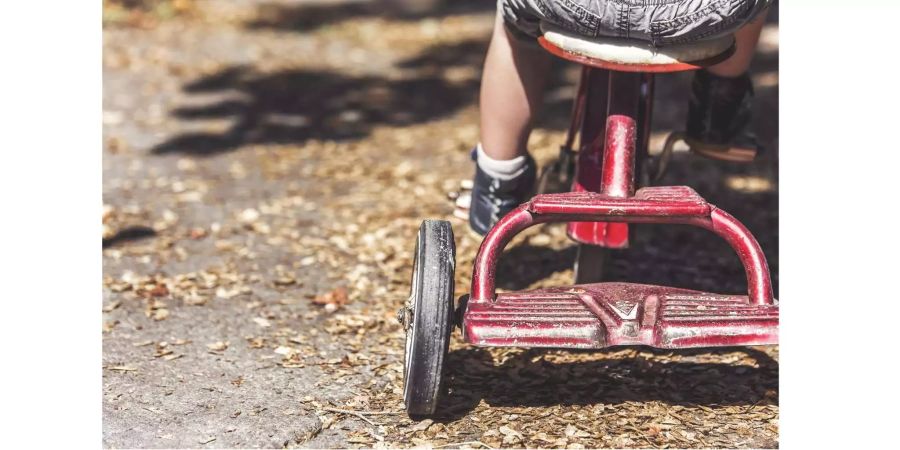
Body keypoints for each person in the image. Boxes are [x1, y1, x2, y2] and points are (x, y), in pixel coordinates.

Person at [468, 0, 772, 236]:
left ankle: (498, 178)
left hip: (570, 6)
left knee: (515, 27)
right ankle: (716, 116)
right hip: (699, 11)